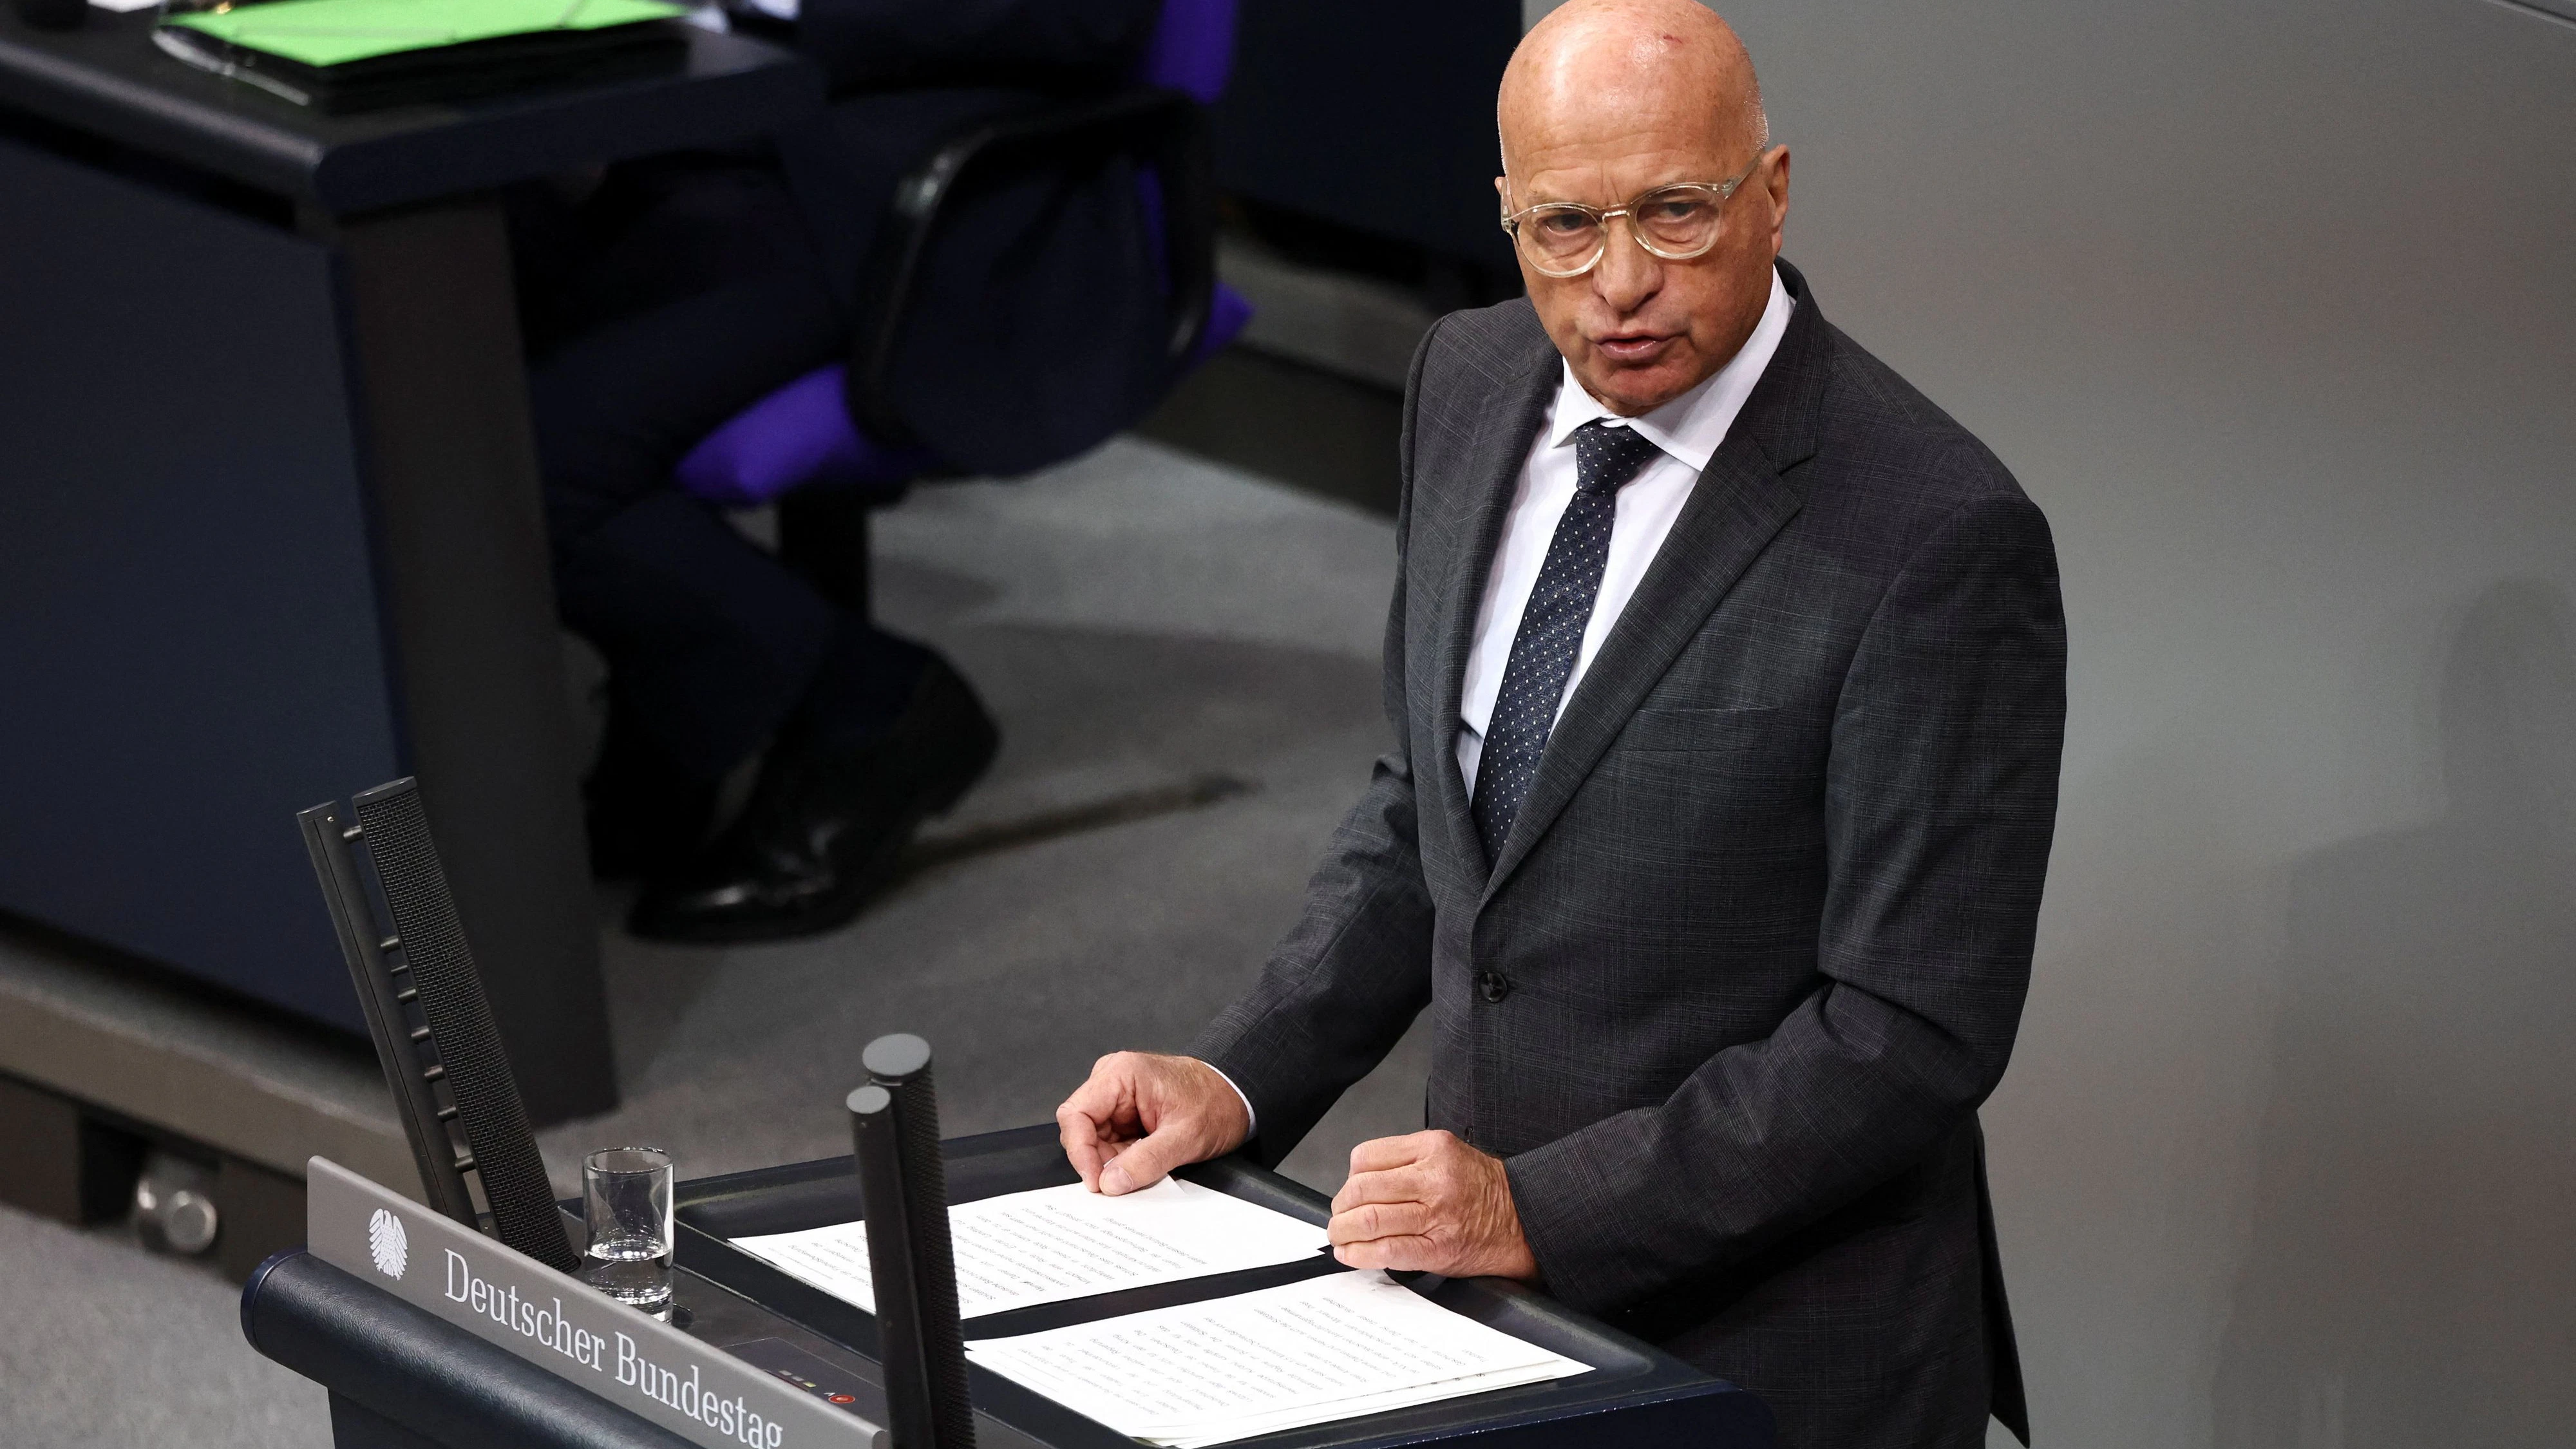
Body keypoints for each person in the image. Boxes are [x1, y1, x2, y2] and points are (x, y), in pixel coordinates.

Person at [1052, 3, 2066, 1446]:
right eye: (1564, 229)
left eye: (1673, 213)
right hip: (1476, 1316)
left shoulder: (1933, 533)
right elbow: (1433, 818)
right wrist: (1237, 1073)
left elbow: (1908, 1032)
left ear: (1768, 194)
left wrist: (1542, 1207)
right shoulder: (1465, 385)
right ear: (1505, 218)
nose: (1620, 286)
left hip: (1773, 1350)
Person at [517, 0, 1166, 943]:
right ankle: (681, 713)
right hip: (690, 138)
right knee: (464, 364)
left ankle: (871, 701)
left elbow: (1086, 22)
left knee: (527, 462)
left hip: (895, 183)